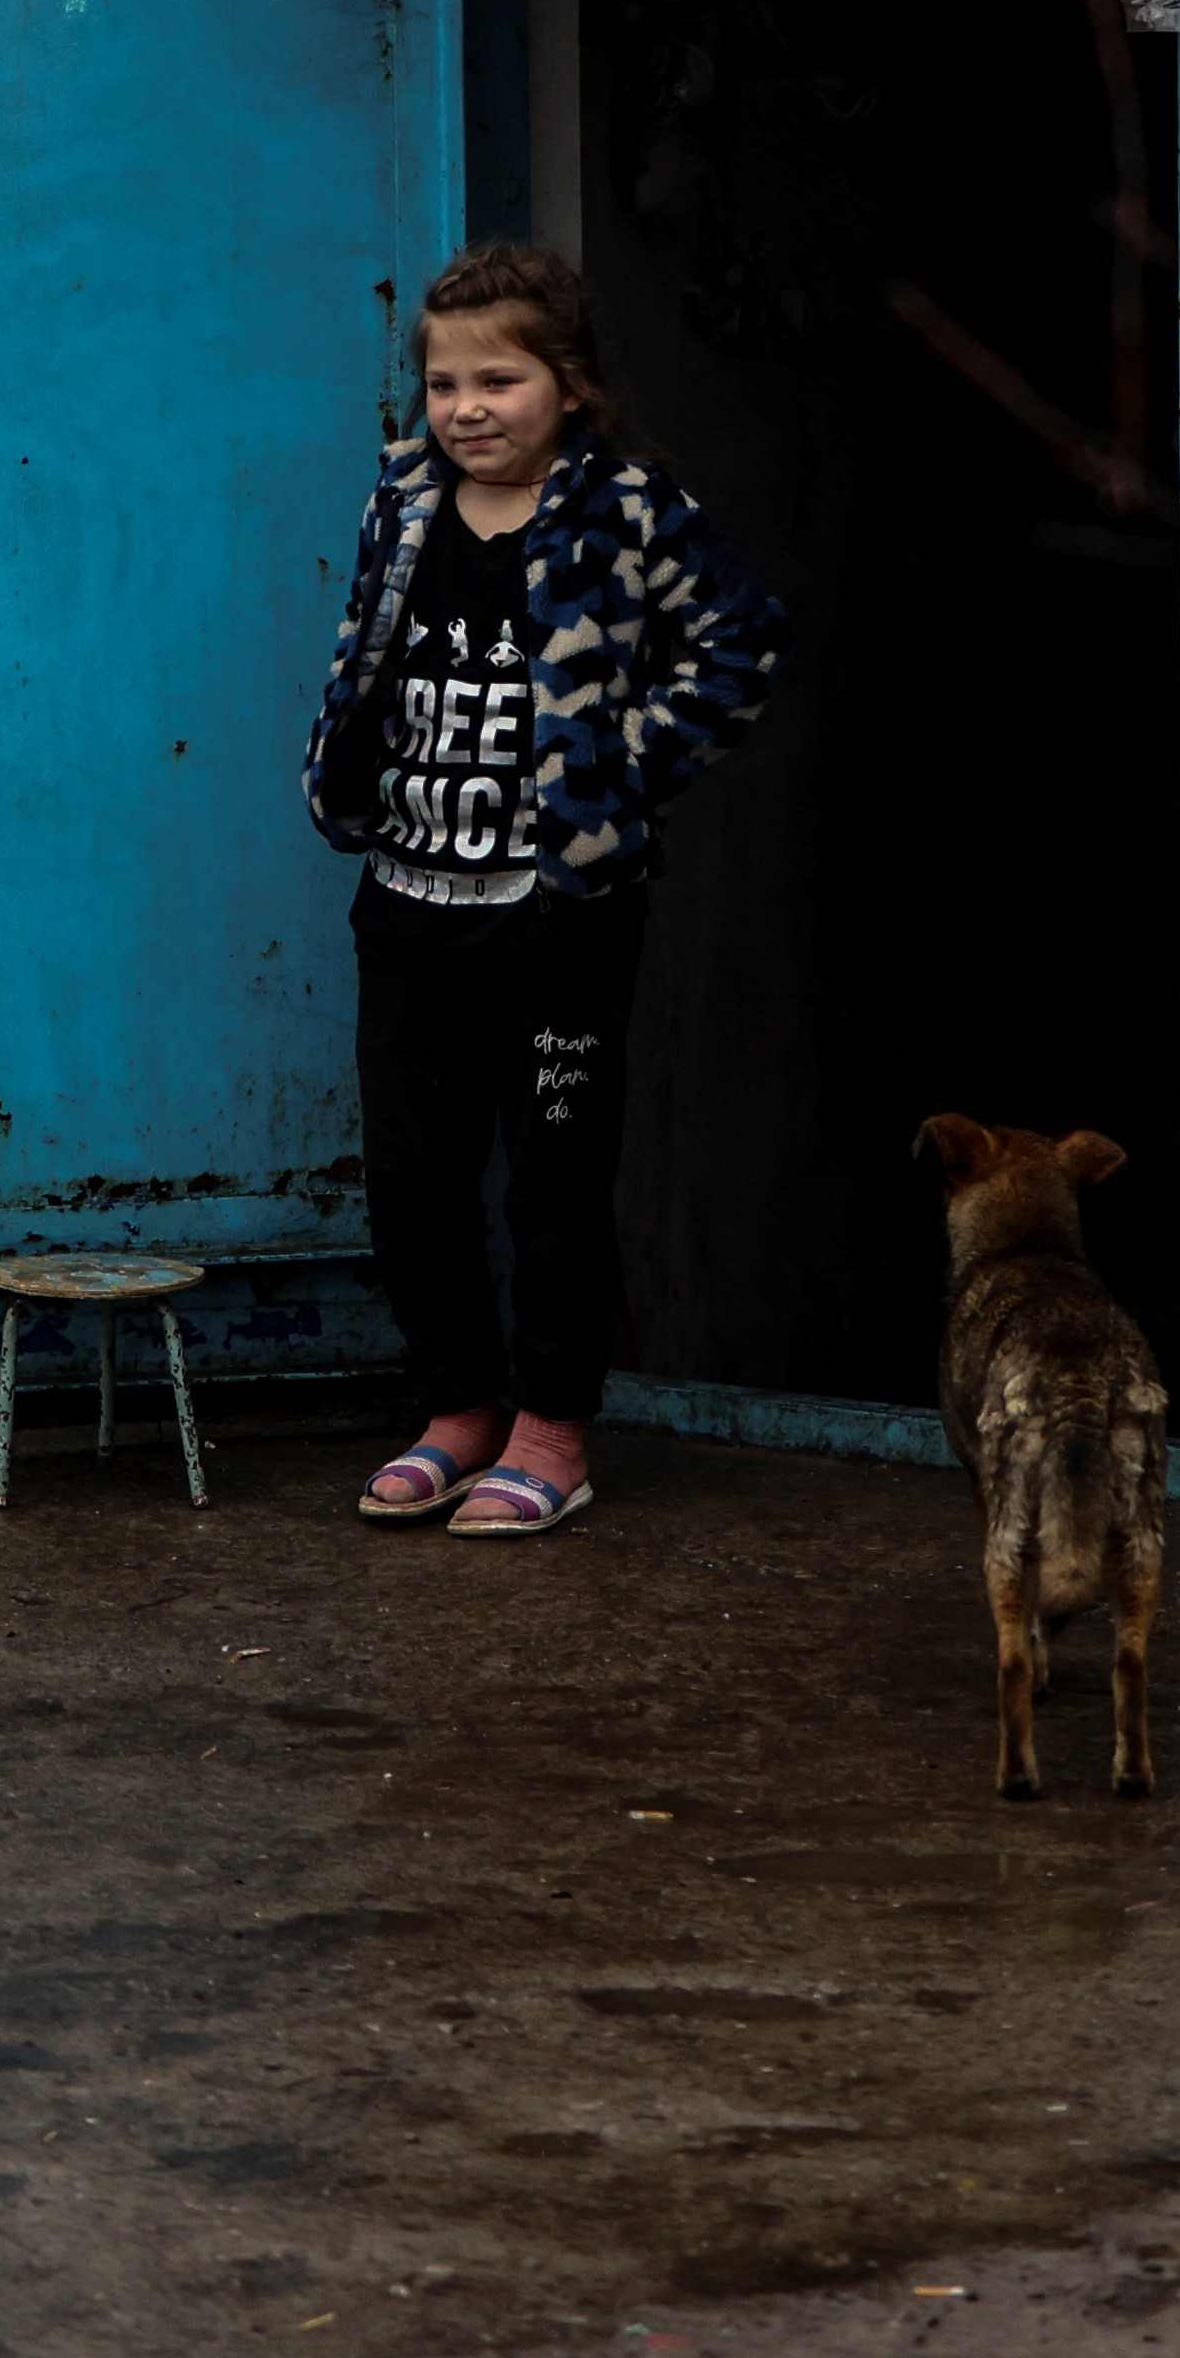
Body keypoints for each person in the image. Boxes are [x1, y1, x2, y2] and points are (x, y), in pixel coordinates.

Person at [301, 241, 783, 1539]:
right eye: (444, 381)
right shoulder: (401, 500)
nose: (464, 406)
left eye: (497, 378)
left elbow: (741, 640)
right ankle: (456, 1406)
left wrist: (624, 775)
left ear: (565, 383)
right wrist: (340, 764)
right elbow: (363, 651)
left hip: (556, 917)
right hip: (407, 900)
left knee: (554, 1180)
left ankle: (552, 1432)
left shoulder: (620, 510)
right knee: (413, 1171)